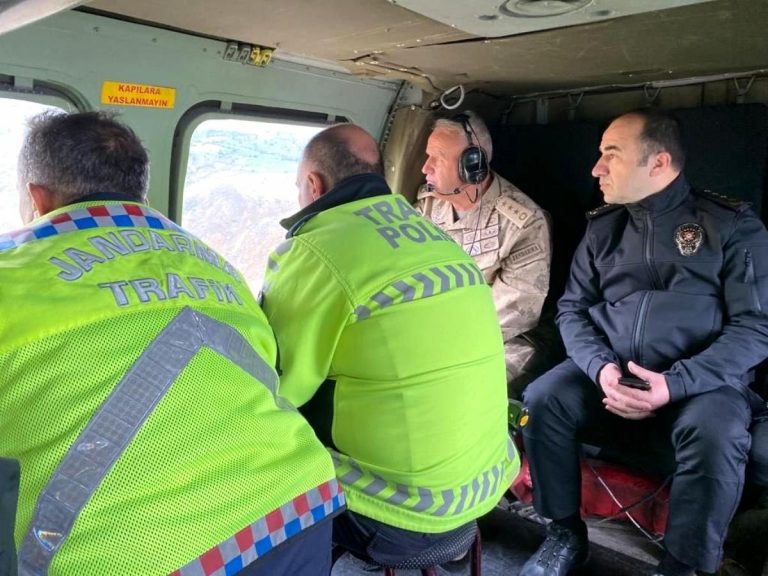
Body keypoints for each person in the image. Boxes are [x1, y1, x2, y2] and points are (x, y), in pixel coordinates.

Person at [0, 111, 343, 576]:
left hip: (134, 556)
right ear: (141, 195)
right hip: (297, 510)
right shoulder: (216, 264)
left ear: (36, 198)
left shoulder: (10, 271)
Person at [520, 109, 768, 576]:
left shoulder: (731, 225)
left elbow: (756, 327)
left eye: (611, 155)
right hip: (611, 372)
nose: (596, 168)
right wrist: (601, 368)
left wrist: (674, 384)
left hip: (701, 382)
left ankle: (681, 566)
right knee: (543, 398)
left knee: (717, 433)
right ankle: (564, 533)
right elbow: (572, 309)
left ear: (658, 163)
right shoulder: (603, 228)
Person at [260, 123, 517, 568]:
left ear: (313, 185)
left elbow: (277, 387)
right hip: (483, 489)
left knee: (261, 443)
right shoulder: (437, 240)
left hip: (400, 514)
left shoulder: (316, 251)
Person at [415, 111, 552, 397]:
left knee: (459, 389)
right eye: (428, 156)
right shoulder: (427, 205)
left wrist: (439, 346)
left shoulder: (523, 223)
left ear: (472, 164)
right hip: (432, 326)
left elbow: (511, 313)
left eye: (437, 158)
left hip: (496, 338)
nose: (426, 168)